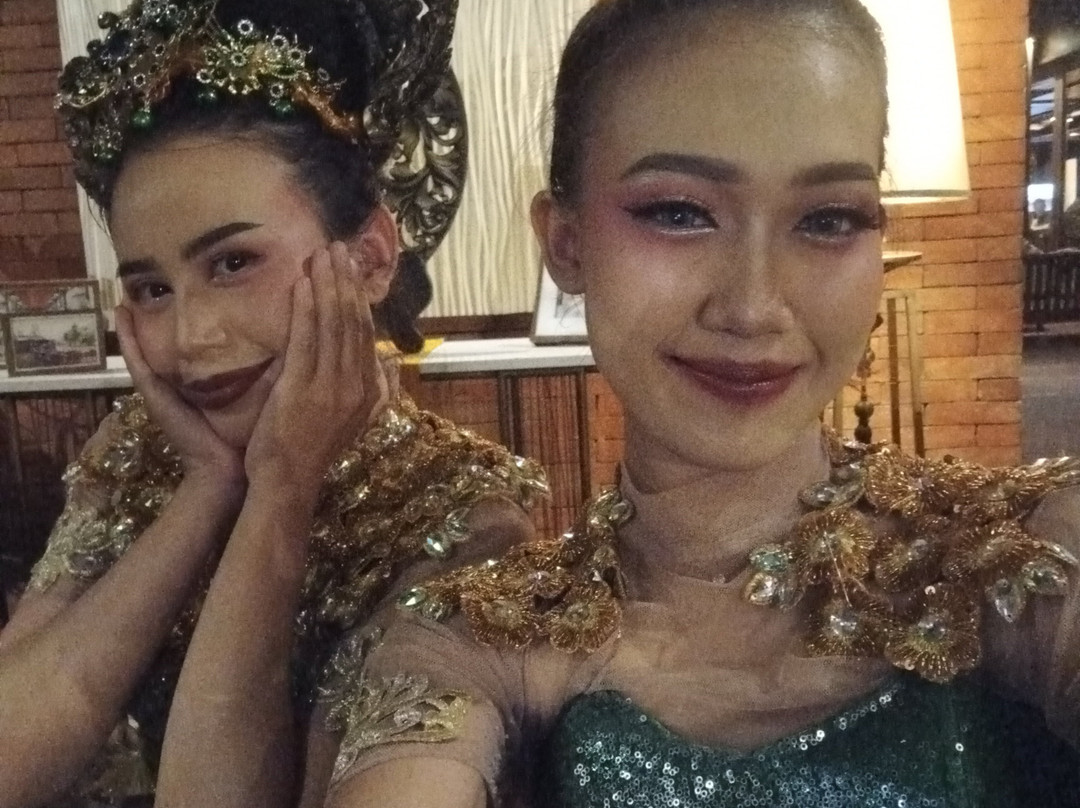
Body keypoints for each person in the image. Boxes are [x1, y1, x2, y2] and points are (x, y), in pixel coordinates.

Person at [320, 0, 1080, 806]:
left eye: (828, 219)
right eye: (678, 213)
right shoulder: (480, 636)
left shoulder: (1016, 561)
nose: (753, 308)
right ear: (565, 243)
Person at [0, 1, 548, 806]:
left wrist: (282, 490)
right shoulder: (139, 452)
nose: (191, 337)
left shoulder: (462, 522)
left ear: (370, 257)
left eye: (232, 263)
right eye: (152, 288)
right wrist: (209, 486)